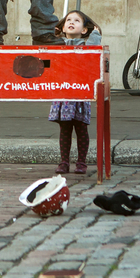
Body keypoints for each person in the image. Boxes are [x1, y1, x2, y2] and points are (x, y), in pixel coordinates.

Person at [48, 10, 101, 174]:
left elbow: (93, 48)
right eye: (68, 20)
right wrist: (54, 34)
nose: (71, 22)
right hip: (63, 93)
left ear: (84, 30)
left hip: (80, 93)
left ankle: (81, 162)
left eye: (77, 21)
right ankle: (64, 161)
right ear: (63, 27)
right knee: (64, 129)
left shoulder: (85, 45)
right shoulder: (59, 43)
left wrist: (96, 34)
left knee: (81, 128)